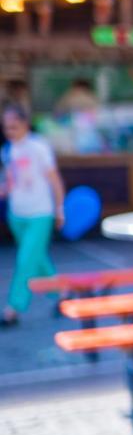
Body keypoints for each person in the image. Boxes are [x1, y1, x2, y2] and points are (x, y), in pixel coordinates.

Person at [1, 101, 64, 326]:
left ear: (25, 124)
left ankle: (13, 309)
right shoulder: (8, 150)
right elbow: (9, 182)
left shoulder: (38, 147)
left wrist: (59, 208)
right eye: (6, 128)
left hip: (40, 213)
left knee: (25, 260)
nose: (10, 132)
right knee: (37, 259)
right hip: (17, 214)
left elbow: (54, 179)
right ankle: (61, 295)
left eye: (14, 127)